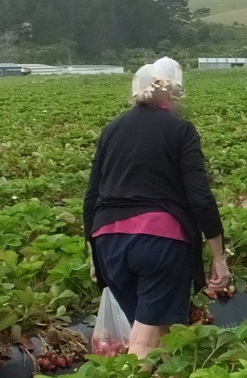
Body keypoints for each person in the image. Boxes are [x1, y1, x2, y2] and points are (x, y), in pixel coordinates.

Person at [84, 57, 230, 361]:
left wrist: (93, 253)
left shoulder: (112, 129)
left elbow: (92, 195)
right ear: (174, 93)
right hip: (157, 241)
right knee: (144, 342)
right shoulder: (180, 129)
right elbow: (199, 196)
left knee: (160, 331)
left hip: (108, 241)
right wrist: (218, 256)